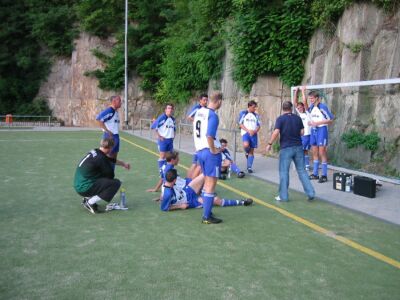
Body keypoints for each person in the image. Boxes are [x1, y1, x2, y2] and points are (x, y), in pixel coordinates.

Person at [266, 101, 315, 202]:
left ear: (283, 109)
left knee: (284, 172)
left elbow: (276, 132)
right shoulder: (297, 118)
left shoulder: (280, 119)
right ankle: (311, 193)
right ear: (291, 108)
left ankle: (283, 196)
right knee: (302, 171)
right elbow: (302, 132)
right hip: (298, 147)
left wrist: (269, 144)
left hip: (286, 148)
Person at [73, 138, 131, 214]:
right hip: (84, 187)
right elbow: (110, 175)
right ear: (110, 148)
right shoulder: (101, 158)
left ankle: (87, 198)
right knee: (115, 183)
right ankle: (89, 202)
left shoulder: (96, 151)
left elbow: (111, 159)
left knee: (99, 177)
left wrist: (124, 164)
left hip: (78, 184)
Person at [193, 91, 223, 224]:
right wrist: (214, 149)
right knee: (211, 185)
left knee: (206, 183)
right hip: (209, 153)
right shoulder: (213, 115)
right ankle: (206, 216)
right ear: (219, 101)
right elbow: (209, 135)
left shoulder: (199, 112)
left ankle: (207, 209)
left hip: (199, 151)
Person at [161, 169, 253, 211]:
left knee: (203, 174)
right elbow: (164, 208)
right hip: (191, 201)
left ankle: (218, 174)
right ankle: (242, 202)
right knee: (216, 200)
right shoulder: (167, 194)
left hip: (187, 191)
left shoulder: (167, 182)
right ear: (174, 180)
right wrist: (180, 206)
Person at [305, 89, 334, 183]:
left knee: (322, 152)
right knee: (314, 152)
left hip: (322, 130)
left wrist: (317, 123)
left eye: (312, 98)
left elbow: (330, 119)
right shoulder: (311, 107)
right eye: (310, 98)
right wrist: (311, 123)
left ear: (317, 98)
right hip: (313, 131)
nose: (311, 100)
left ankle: (324, 175)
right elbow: (309, 114)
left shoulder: (322, 107)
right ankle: (315, 174)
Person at [151, 103, 176, 178]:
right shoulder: (162, 117)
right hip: (163, 140)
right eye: (168, 108)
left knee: (169, 157)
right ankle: (162, 173)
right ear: (165, 110)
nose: (170, 110)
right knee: (162, 156)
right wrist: (159, 136)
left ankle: (169, 172)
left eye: (171, 108)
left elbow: (174, 129)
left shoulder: (173, 119)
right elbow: (154, 127)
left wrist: (173, 136)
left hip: (170, 140)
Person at [186, 94, 208, 179]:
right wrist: (196, 121)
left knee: (195, 163)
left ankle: (189, 181)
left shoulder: (205, 109)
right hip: (200, 139)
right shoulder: (197, 108)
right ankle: (191, 183)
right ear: (200, 101)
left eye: (206, 100)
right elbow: (189, 117)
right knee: (198, 165)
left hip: (200, 139)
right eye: (204, 100)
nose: (205, 101)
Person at [96, 95, 122, 161]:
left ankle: (111, 171)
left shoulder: (115, 111)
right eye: (119, 101)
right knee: (106, 158)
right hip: (110, 137)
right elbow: (99, 119)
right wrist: (107, 131)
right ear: (113, 101)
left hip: (115, 136)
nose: (121, 102)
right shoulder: (110, 110)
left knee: (113, 158)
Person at [238, 100, 261, 173]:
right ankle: (246, 152)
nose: (255, 109)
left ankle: (249, 167)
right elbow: (240, 124)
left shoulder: (256, 115)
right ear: (249, 106)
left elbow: (259, 125)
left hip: (253, 134)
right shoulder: (243, 113)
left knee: (252, 151)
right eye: (254, 107)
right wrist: (248, 131)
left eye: (255, 107)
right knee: (246, 145)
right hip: (246, 133)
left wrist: (254, 131)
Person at [293, 87, 312, 171]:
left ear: (304, 107)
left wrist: (303, 91)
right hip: (300, 135)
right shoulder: (299, 114)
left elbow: (304, 102)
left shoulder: (307, 113)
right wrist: (296, 91)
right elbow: (294, 103)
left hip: (306, 135)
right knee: (304, 151)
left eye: (301, 107)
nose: (299, 108)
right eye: (298, 108)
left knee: (301, 150)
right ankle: (306, 165)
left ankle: (304, 165)